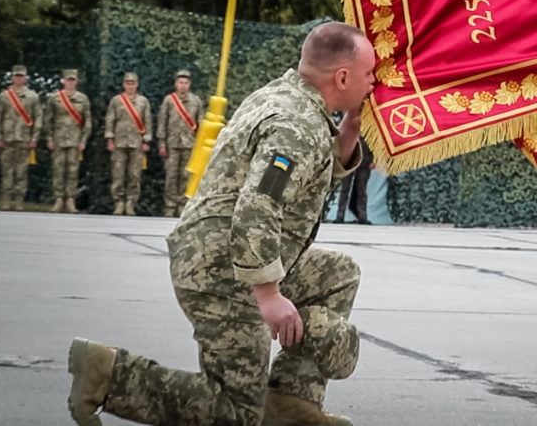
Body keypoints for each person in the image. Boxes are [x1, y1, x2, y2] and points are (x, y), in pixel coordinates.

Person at [67, 22, 375, 426]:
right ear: (342, 77)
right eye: (369, 73)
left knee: (337, 274)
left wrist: (350, 126)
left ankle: (289, 402)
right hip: (221, 269)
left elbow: (305, 175)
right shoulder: (296, 126)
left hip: (230, 252)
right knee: (234, 413)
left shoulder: (287, 98)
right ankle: (108, 376)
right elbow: (258, 204)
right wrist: (268, 295)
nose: (374, 82)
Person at [0, 65, 42, 210]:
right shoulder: (4, 96)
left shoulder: (33, 96)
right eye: (16, 76)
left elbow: (38, 118)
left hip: (24, 139)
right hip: (7, 138)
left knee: (21, 171)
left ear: (25, 78)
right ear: (12, 77)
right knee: (7, 170)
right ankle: (6, 200)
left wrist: (34, 138)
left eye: (21, 76)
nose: (19, 78)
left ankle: (19, 200)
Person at [105, 72, 152, 216]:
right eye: (128, 83)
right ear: (124, 84)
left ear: (137, 84)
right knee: (118, 174)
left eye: (133, 83)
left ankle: (130, 203)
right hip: (119, 142)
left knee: (134, 175)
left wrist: (146, 140)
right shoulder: (116, 101)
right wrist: (109, 139)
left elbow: (147, 121)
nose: (130, 86)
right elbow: (110, 120)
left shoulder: (143, 101)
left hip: (136, 143)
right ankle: (119, 202)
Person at [45, 69, 92, 213]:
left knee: (72, 171)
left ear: (76, 81)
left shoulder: (82, 99)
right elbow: (48, 120)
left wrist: (83, 140)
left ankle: (70, 200)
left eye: (73, 80)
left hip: (75, 140)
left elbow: (87, 121)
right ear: (63, 81)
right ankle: (59, 199)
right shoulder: (55, 98)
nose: (70, 82)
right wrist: (49, 138)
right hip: (59, 139)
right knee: (58, 170)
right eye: (68, 80)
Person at [157, 69, 203, 217]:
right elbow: (162, 122)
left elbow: (201, 124)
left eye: (186, 83)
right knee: (171, 176)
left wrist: (200, 145)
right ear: (176, 84)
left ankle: (182, 206)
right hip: (172, 144)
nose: (183, 85)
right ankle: (169, 207)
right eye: (180, 82)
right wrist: (162, 143)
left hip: (190, 144)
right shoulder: (169, 100)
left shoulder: (196, 101)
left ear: (189, 84)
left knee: (186, 176)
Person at [334, 138, 372, 224]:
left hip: (364, 162)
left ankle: (363, 217)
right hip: (348, 160)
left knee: (362, 190)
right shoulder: (349, 125)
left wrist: (373, 161)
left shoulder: (370, 127)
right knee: (344, 189)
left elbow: (374, 143)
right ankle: (340, 216)